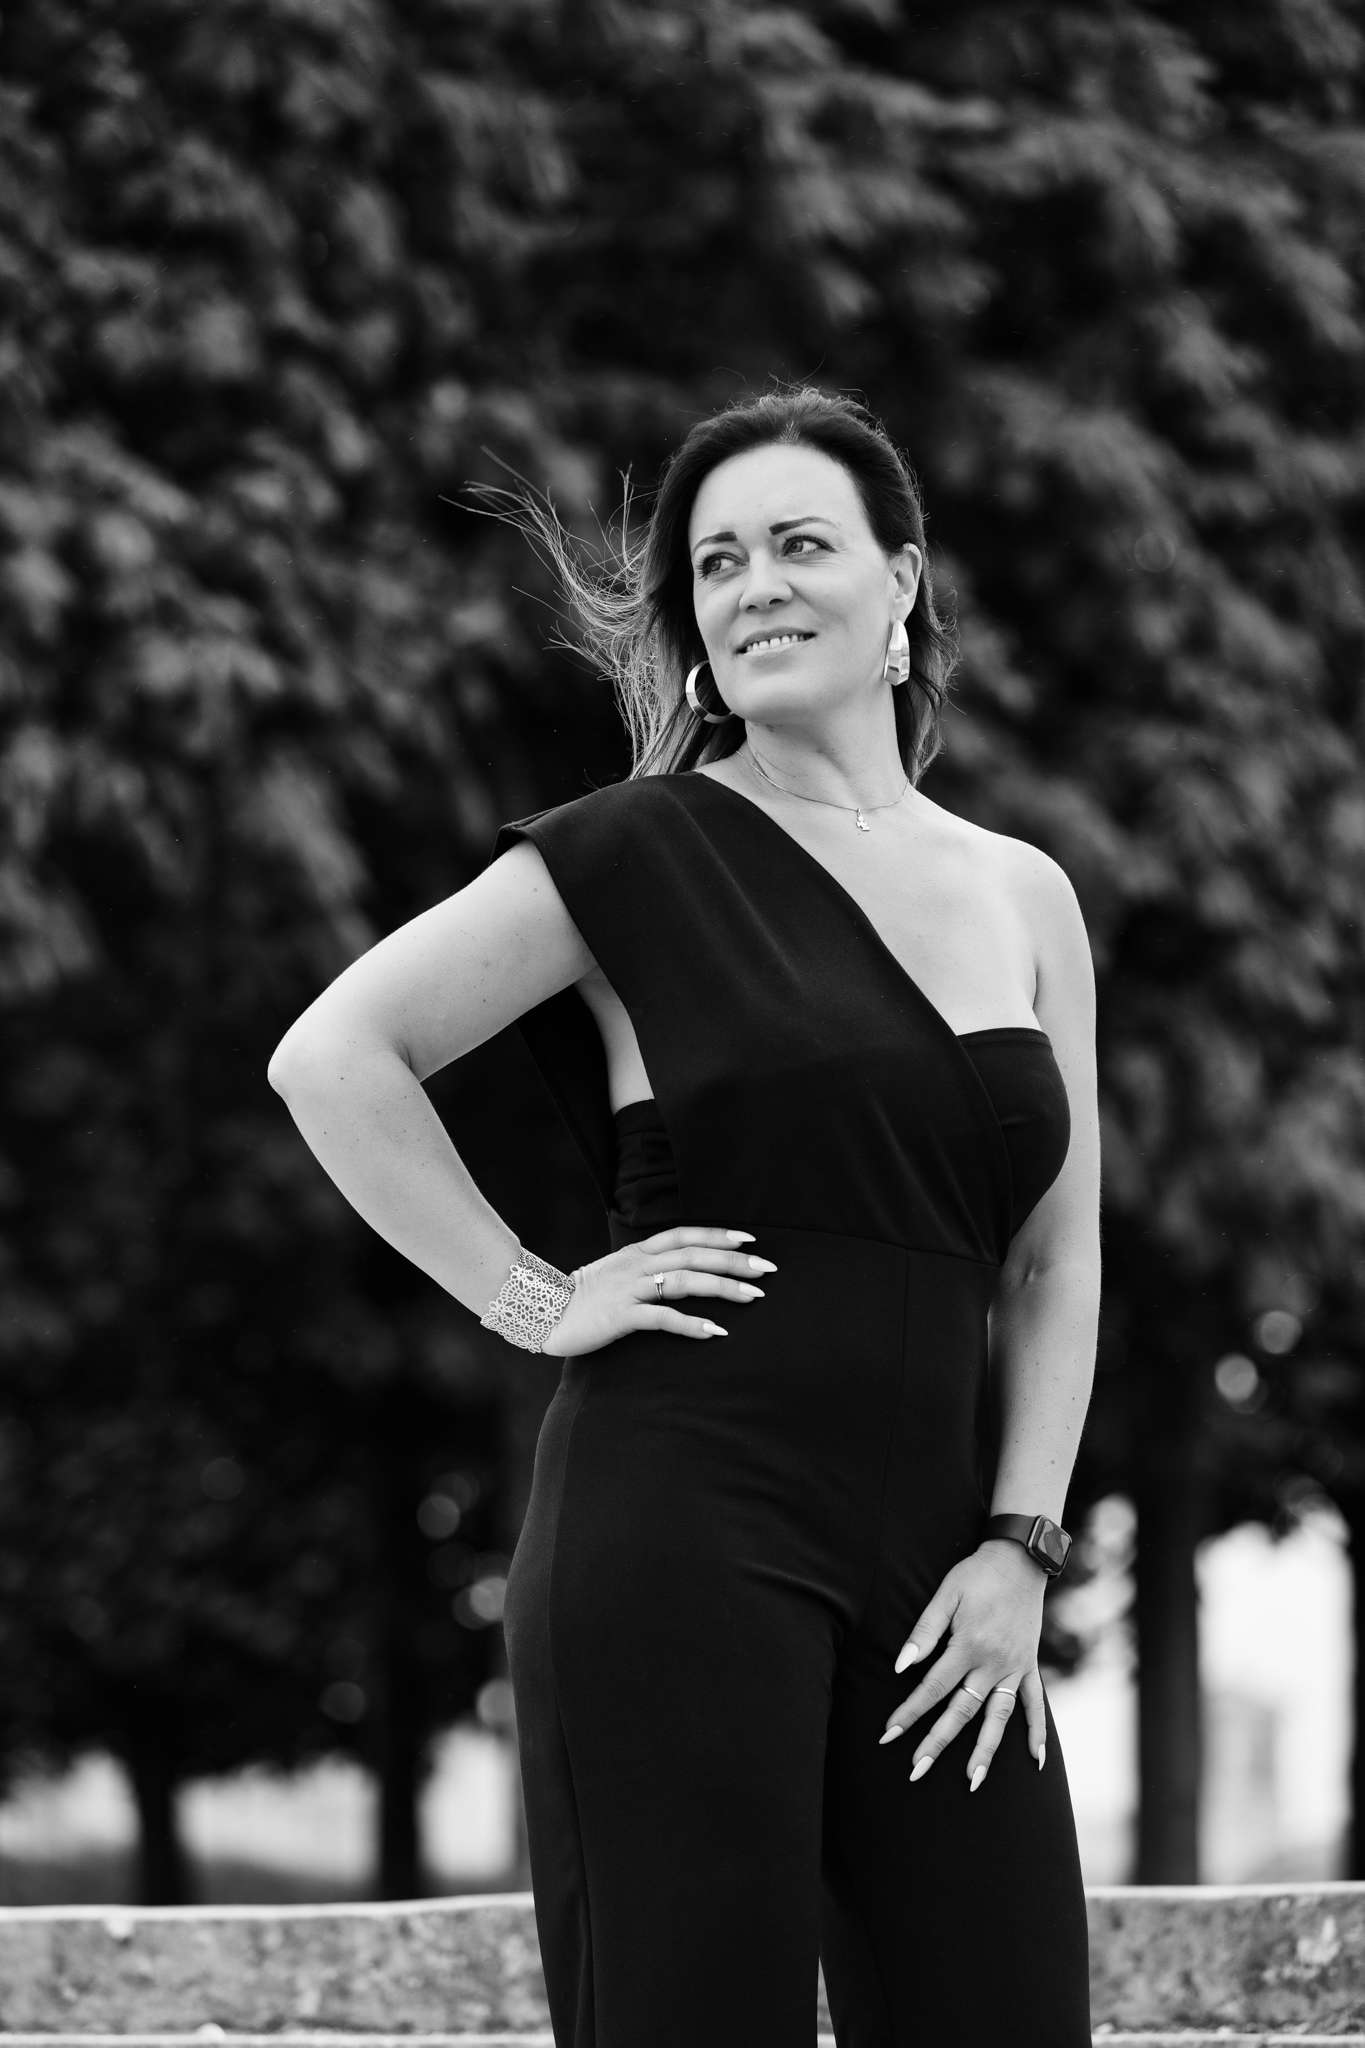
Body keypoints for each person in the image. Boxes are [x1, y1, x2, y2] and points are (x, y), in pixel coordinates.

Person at [267, 387, 1100, 2047]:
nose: (753, 585)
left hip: (946, 1570)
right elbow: (333, 1058)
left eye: (798, 544)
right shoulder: (635, 852)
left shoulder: (1022, 891)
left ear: (901, 580)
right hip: (677, 1531)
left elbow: (1052, 1256)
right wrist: (533, 1295)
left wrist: (1020, 1546)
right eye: (716, 563)